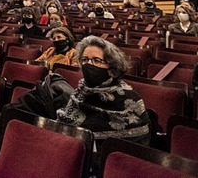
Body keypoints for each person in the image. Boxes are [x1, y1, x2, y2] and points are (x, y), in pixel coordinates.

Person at [57, 36, 150, 171]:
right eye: (85, 60)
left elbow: (136, 150)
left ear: (112, 67)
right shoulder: (80, 93)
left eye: (97, 60)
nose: (89, 65)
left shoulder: (130, 100)